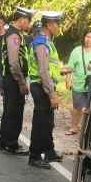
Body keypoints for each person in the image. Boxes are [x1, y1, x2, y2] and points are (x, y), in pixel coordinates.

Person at [27, 11, 64, 168]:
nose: (59, 27)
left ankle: (49, 151)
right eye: (57, 24)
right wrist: (52, 94)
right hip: (42, 86)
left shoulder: (47, 41)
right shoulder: (41, 43)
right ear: (49, 25)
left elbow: (51, 66)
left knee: (48, 122)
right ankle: (34, 156)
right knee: (41, 122)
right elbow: (43, 71)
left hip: (45, 86)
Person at [0, 7, 34, 155]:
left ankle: (3, 141)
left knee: (9, 111)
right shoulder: (14, 35)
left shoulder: (15, 34)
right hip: (13, 80)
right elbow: (13, 62)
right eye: (28, 22)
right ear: (23, 19)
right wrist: (21, 82)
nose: (29, 25)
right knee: (14, 113)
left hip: (11, 79)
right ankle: (11, 144)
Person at [64, 30, 91, 135]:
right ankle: (74, 127)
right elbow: (70, 66)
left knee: (87, 107)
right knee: (77, 107)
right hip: (78, 83)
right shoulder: (77, 51)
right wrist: (67, 80)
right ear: (83, 38)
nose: (88, 39)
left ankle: (84, 129)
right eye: (87, 36)